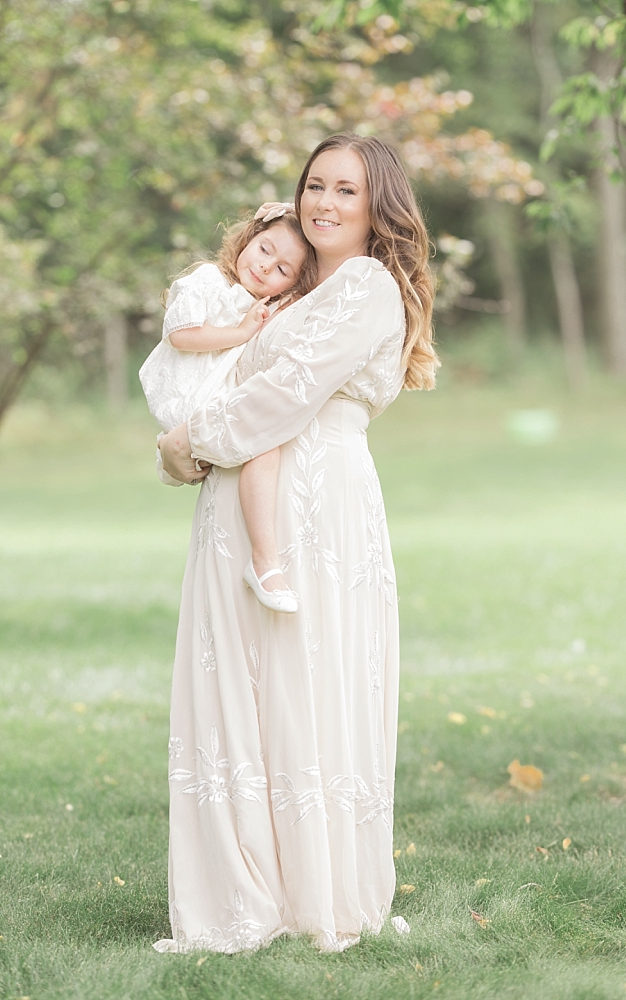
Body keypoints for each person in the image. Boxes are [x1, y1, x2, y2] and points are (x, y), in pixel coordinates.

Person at [152, 132, 436, 953]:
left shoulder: (367, 286)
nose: (324, 203)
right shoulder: (296, 284)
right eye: (315, 185)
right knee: (241, 688)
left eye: (346, 190)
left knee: (306, 681)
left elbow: (282, 396)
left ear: (377, 203)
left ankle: (317, 891)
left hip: (319, 507)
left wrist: (183, 447)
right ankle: (249, 890)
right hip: (240, 499)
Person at [140, 204, 318, 613]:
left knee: (265, 441)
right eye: (263, 249)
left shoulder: (263, 303)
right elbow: (181, 335)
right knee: (264, 439)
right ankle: (265, 560)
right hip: (189, 394)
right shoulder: (207, 280)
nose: (265, 267)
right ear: (248, 238)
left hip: (213, 398)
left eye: (282, 269)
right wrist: (241, 332)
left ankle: (263, 558)